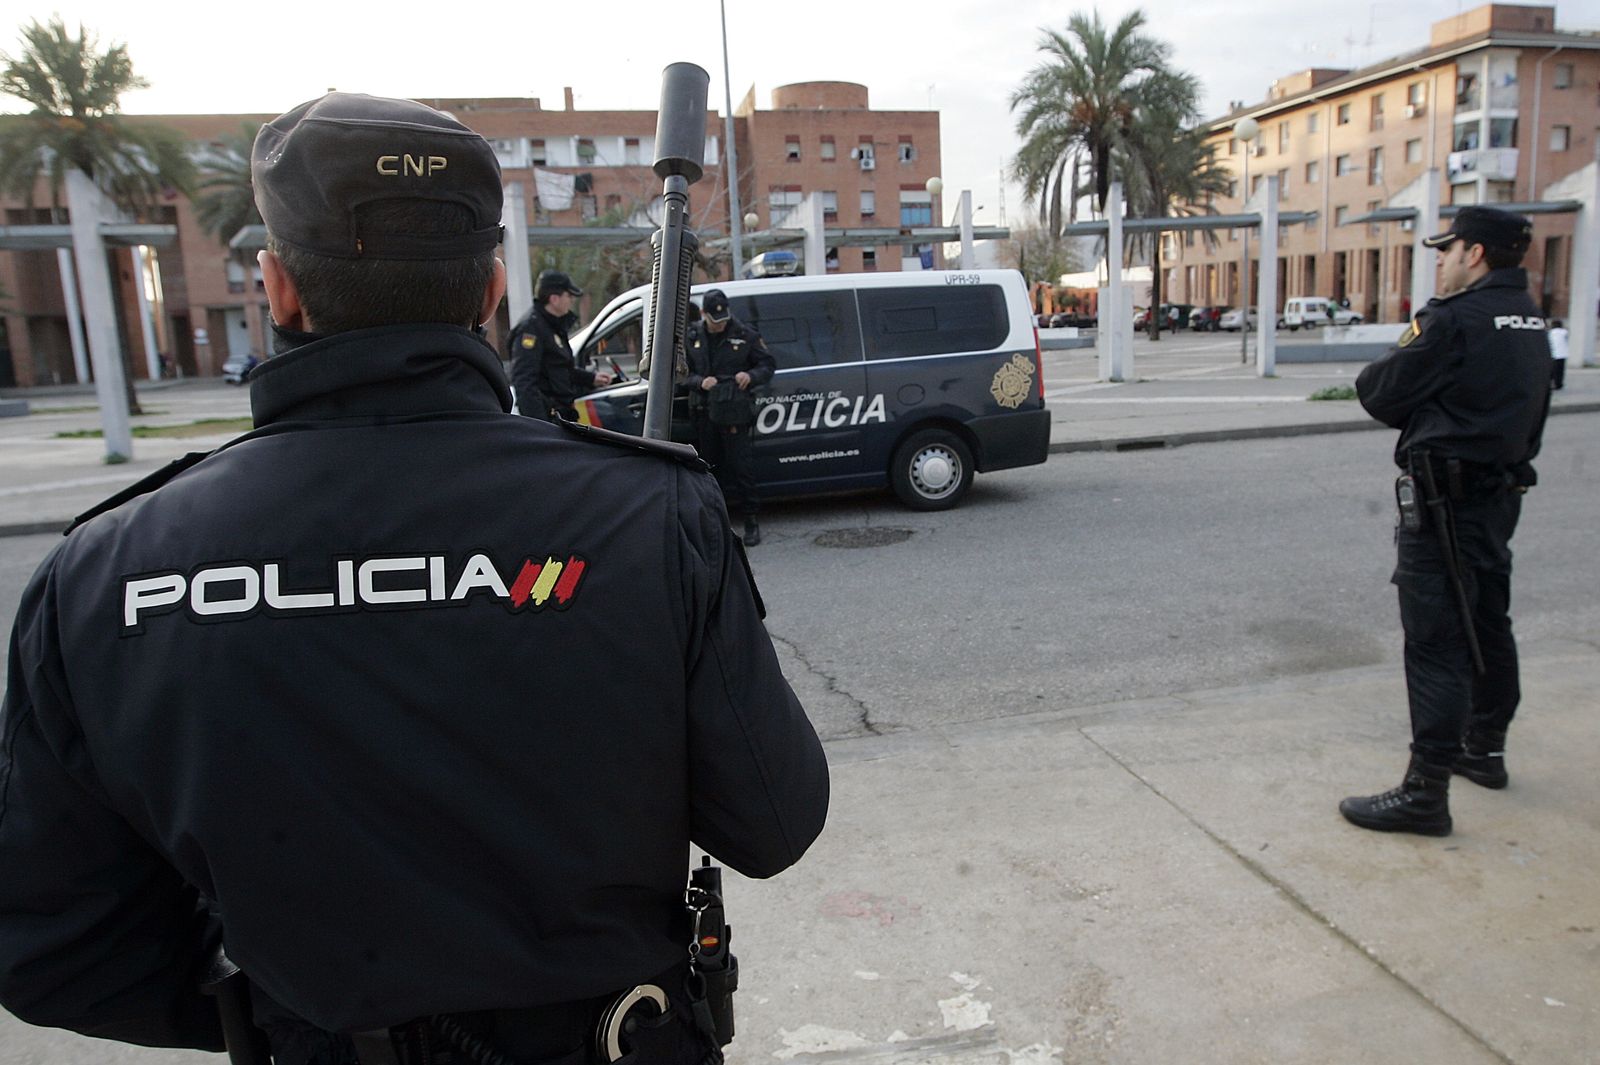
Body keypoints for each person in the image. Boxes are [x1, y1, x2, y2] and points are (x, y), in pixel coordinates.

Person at [0, 92, 828, 1065]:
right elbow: (773, 823)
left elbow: (52, 948)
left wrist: (284, 1014)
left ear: (277, 289)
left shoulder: (105, 574)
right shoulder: (654, 516)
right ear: (488, 295)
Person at [1340, 206, 1551, 837]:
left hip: (1445, 504)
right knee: (1487, 619)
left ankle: (1425, 790)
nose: (1441, 258)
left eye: (1448, 247)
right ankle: (1484, 749)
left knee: (1435, 639)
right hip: (1497, 496)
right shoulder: (1531, 318)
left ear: (1476, 253)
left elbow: (1377, 390)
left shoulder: (1454, 320)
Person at [684, 290, 775, 546]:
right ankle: (714, 526)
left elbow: (767, 365)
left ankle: (751, 521)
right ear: (703, 314)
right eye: (715, 319)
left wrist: (751, 376)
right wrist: (700, 382)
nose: (721, 323)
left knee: (741, 467)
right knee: (708, 472)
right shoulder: (691, 336)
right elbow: (679, 374)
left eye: (724, 317)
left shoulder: (744, 334)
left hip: (734, 411)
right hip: (704, 412)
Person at [509, 269, 612, 420]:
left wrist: (591, 379)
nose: (572, 300)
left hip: (562, 414)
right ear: (554, 299)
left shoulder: (552, 325)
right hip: (548, 418)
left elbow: (561, 369)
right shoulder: (531, 329)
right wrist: (540, 427)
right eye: (569, 296)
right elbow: (525, 383)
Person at [1547, 317, 1569, 390]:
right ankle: (1559, 384)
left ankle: (1551, 383)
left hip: (1553, 354)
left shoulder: (1550, 333)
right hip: (1563, 354)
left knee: (1552, 371)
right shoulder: (1564, 332)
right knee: (1560, 371)